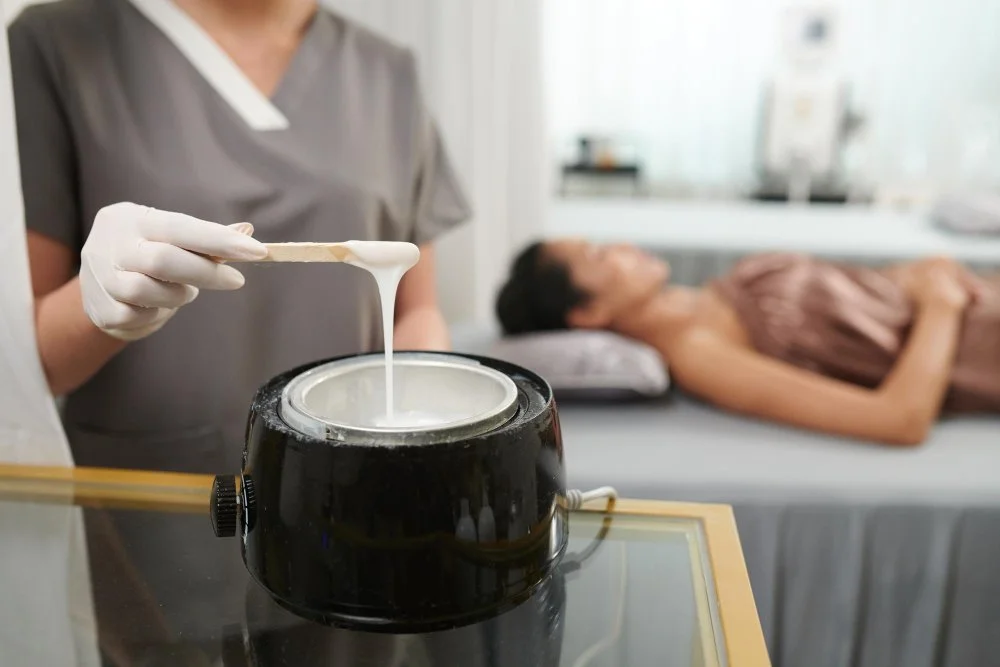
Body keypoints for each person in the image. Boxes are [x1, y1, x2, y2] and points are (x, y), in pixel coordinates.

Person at [9, 0, 469, 659]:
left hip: (359, 525)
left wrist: (425, 441)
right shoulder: (58, 46)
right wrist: (103, 302)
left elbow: (416, 310)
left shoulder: (384, 72)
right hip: (147, 527)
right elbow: (33, 366)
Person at [496, 239, 1000, 446]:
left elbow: (853, 303)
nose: (625, 247)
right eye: (602, 256)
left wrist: (917, 275)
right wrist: (941, 306)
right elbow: (900, 419)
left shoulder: (716, 294)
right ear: (588, 313)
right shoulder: (699, 354)